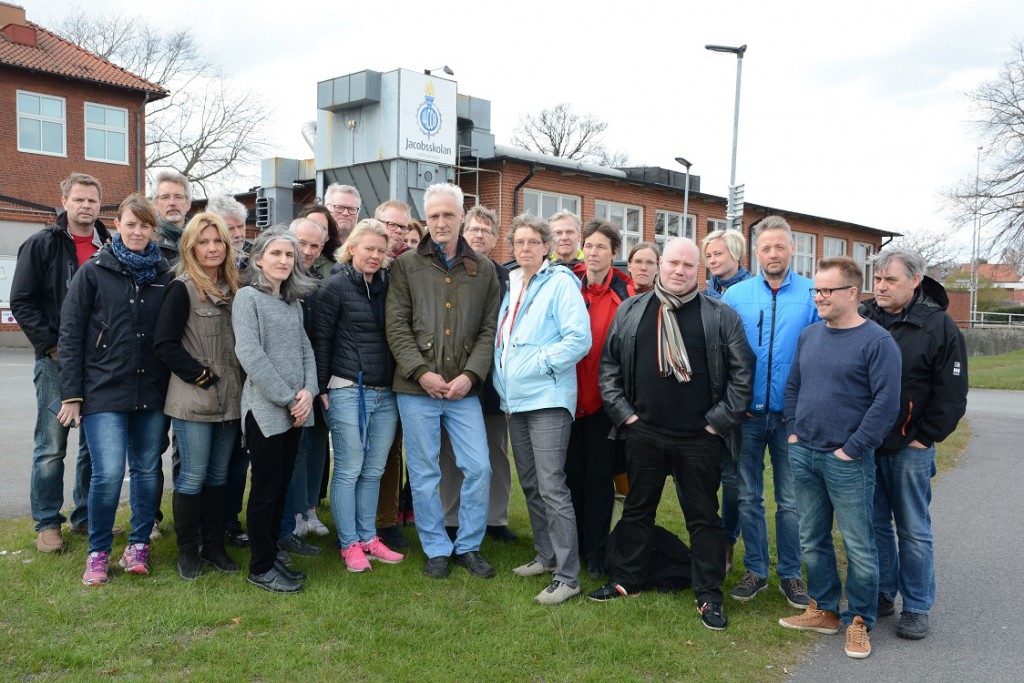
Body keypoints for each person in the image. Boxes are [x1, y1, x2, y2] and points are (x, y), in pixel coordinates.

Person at [589, 238, 753, 632]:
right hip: (643, 433)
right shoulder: (632, 310)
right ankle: (626, 580)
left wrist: (716, 423)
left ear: (699, 269)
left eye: (687, 265)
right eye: (673, 263)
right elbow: (609, 368)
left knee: (704, 518)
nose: (679, 271)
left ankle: (709, 595)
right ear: (660, 264)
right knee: (637, 510)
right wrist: (626, 417)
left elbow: (742, 375)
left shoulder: (719, 314)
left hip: (699, 438)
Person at [779, 256, 902, 659]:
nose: (818, 297)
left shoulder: (877, 342)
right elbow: (793, 385)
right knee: (812, 539)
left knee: (859, 544)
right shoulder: (810, 335)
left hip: (847, 461)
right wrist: (793, 431)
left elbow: (886, 405)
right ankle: (825, 609)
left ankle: (859, 620)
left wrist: (852, 449)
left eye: (827, 290)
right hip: (805, 454)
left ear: (852, 293)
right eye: (816, 289)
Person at [385, 183, 500, 580]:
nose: (440, 222)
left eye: (448, 215)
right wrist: (421, 371)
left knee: (478, 467)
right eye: (433, 216)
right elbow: (396, 326)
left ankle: (468, 545)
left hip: (463, 390)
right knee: (424, 470)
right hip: (417, 388)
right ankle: (435, 547)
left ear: (462, 215)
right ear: (425, 218)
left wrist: (472, 375)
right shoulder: (406, 266)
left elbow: (489, 330)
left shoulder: (483, 270)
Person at [57, 193, 173, 586]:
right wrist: (72, 393)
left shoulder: (164, 273)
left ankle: (139, 544)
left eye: (145, 224)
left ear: (152, 228)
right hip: (104, 390)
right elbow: (70, 334)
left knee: (146, 470)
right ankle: (98, 551)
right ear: (118, 224)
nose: (138, 231)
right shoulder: (94, 270)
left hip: (152, 390)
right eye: (131, 223)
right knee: (106, 474)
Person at [860, 248, 968, 640]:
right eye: (878, 279)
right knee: (875, 526)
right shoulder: (865, 316)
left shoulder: (938, 326)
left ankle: (917, 606)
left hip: (911, 447)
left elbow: (952, 393)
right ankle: (883, 594)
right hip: (867, 444)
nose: (882, 286)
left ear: (915, 280)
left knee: (913, 529)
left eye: (891, 279)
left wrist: (926, 437)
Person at [11, 173, 110, 553]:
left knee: (93, 446)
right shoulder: (42, 245)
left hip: (99, 366)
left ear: (101, 205)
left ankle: (85, 518)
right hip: (56, 363)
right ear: (64, 201)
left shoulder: (111, 247)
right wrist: (52, 346)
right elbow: (22, 300)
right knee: (52, 445)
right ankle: (48, 523)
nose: (86, 207)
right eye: (79, 200)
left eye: (93, 201)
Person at [495, 214, 591, 604]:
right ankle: (546, 555)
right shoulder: (512, 280)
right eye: (519, 242)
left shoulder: (561, 284)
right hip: (515, 400)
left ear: (547, 246)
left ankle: (569, 576)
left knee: (552, 486)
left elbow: (577, 339)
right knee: (531, 483)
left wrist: (537, 364)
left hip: (548, 398)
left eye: (533, 242)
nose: (525, 249)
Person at [721, 216, 816, 609]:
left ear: (792, 248)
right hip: (745, 416)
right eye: (765, 247)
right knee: (747, 498)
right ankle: (757, 570)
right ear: (755, 252)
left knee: (791, 501)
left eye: (780, 246)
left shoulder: (813, 294)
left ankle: (791, 574)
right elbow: (721, 355)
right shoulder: (736, 296)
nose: (773, 253)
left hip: (791, 418)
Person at [153, 213, 243, 581]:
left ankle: (215, 546)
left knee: (219, 476)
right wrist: (201, 376)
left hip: (231, 402)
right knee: (192, 477)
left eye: (217, 241)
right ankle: (188, 552)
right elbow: (164, 344)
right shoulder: (183, 288)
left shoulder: (237, 290)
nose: (211, 248)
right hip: (194, 400)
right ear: (190, 247)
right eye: (203, 242)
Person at [312, 219, 404, 572]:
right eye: (368, 248)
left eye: (381, 251)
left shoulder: (388, 285)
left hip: (386, 392)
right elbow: (322, 339)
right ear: (352, 248)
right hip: (347, 387)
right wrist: (321, 387)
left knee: (374, 469)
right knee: (349, 467)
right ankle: (348, 543)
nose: (375, 255)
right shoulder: (334, 287)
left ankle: (368, 537)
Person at [232, 227, 319, 594]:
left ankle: (271, 551)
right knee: (266, 490)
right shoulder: (247, 298)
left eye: (289, 255)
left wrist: (309, 393)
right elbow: (250, 354)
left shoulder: (292, 303)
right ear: (259, 259)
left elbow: (306, 352)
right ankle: (260, 567)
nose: (284, 261)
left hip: (296, 411)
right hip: (266, 411)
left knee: (281, 488)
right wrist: (288, 398)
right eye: (277, 254)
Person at [440, 205, 516, 543]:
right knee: (452, 453)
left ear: (496, 238)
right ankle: (451, 518)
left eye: (487, 230)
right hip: (454, 377)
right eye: (474, 229)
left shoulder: (507, 279)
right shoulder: (448, 270)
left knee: (496, 451)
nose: (480, 235)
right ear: (463, 232)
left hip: (493, 382)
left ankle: (495, 519)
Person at [567, 218, 634, 579]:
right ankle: (573, 543)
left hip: (603, 404)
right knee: (569, 476)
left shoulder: (624, 292)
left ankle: (595, 550)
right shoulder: (568, 285)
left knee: (598, 479)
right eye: (588, 246)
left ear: (614, 253)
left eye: (601, 248)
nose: (593, 253)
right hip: (566, 400)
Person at [276, 218, 331, 558]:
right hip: (280, 385)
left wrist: (315, 385)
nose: (307, 251)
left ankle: (306, 510)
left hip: (312, 382)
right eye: (302, 243)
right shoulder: (273, 282)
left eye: (315, 246)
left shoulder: (319, 283)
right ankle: (289, 521)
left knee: (312, 449)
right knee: (287, 457)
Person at [204, 195, 252, 548]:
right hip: (206, 383)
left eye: (239, 226)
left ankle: (230, 519)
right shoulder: (195, 272)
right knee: (201, 463)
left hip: (244, 380)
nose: (236, 234)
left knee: (237, 459)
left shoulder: (249, 269)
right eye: (228, 228)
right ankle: (204, 524)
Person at [373, 199, 415, 550]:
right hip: (365, 371)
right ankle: (362, 519)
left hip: (402, 372)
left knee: (392, 450)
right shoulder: (364, 262)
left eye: (402, 226)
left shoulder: (409, 266)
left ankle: (386, 520)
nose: (396, 231)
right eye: (390, 224)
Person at [151, 170, 192, 261]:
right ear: (155, 204)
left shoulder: (199, 237)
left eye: (178, 197)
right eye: (165, 197)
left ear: (188, 204)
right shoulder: (146, 239)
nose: (172, 203)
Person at [703, 229, 751, 299]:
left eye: (718, 254)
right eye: (708, 256)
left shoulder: (754, 292)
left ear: (736, 254)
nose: (712, 261)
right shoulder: (703, 298)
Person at [300, 205, 342, 272]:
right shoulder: (286, 259)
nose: (315, 231)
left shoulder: (338, 268)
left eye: (322, 228)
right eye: (310, 225)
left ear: (328, 236)